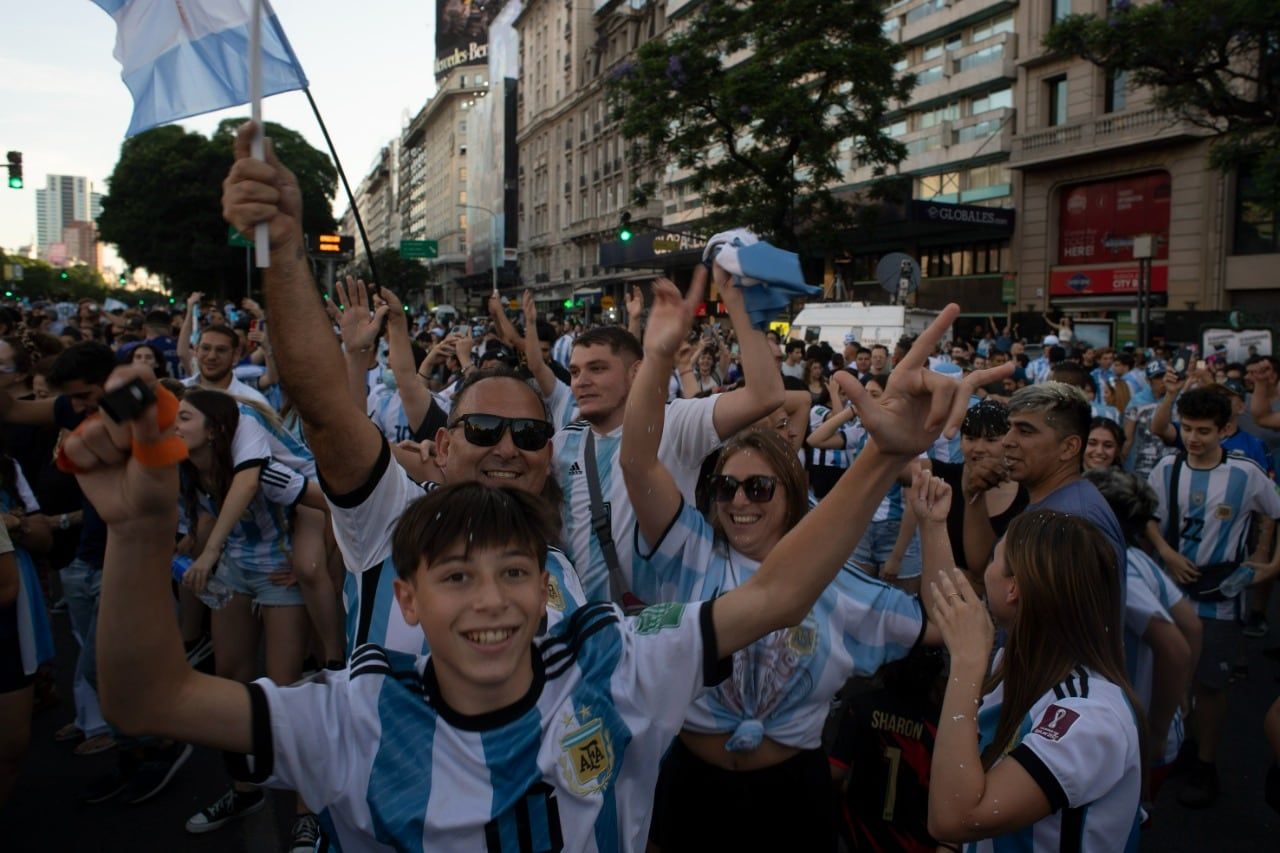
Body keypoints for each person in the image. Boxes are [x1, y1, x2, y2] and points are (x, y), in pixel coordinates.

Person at [78, 281, 984, 851]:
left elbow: (782, 590)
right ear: (406, 595)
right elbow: (146, 697)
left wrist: (879, 458)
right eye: (458, 576)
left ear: (550, 585)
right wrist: (139, 531)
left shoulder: (614, 659)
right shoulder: (354, 713)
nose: (493, 601)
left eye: (518, 573)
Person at [620, 281, 1002, 850]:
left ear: (793, 496)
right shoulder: (688, 552)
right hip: (690, 791)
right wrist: (653, 358)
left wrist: (930, 525)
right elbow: (637, 461)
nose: (739, 501)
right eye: (726, 487)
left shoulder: (836, 585)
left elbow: (942, 620)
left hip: (793, 795)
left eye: (758, 488)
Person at [555, 265, 782, 602]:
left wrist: (737, 300)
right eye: (574, 372)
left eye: (597, 369)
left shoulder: (676, 422)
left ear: (635, 373)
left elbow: (765, 395)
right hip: (592, 637)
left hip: (666, 630)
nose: (580, 381)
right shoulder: (563, 444)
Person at [923, 511, 1144, 851]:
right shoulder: (1016, 666)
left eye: (995, 557)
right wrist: (932, 524)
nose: (986, 569)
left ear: (1014, 588)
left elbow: (954, 820)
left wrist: (966, 666)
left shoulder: (1089, 717)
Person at [173, 390, 313, 838]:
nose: (174, 425)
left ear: (213, 427)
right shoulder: (186, 462)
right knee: (231, 682)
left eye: (184, 417)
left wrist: (312, 564)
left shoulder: (245, 423)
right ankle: (245, 789)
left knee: (285, 691)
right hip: (238, 567)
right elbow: (209, 516)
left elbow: (250, 485)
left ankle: (307, 814)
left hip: (280, 568)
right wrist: (194, 548)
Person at [1147, 387, 1280, 808]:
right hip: (1169, 593)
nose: (1193, 438)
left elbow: (1275, 512)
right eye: (1186, 428)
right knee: (1167, 676)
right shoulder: (1166, 468)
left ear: (1225, 429)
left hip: (1220, 595)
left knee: (1211, 683)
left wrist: (1272, 566)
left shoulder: (1247, 473)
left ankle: (1206, 764)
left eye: (1203, 430)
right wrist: (1166, 552)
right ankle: (1175, 751)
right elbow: (1147, 517)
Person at [1085, 467, 1201, 792]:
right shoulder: (1136, 557)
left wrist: (1157, 731)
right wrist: (1182, 692)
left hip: (1137, 735)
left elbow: (1175, 647)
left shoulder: (1119, 573)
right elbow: (1192, 625)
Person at [966, 382, 1128, 603]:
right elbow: (983, 567)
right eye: (1010, 428)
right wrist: (973, 497)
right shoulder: (1055, 503)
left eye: (1024, 431)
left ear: (1069, 447)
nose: (1007, 441)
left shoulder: (1072, 523)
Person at [828, 647, 946, 853]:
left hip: (860, 837)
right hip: (915, 842)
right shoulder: (940, 725)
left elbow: (835, 772)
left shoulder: (861, 706)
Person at [929, 399, 1028, 575]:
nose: (979, 448)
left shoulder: (1029, 491)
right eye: (971, 438)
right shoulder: (944, 476)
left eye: (991, 439)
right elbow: (897, 466)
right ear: (960, 442)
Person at [182, 324, 270, 407]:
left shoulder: (254, 402)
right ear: (196, 350)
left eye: (221, 350)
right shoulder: (177, 392)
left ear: (235, 355)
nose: (212, 356)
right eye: (205, 348)